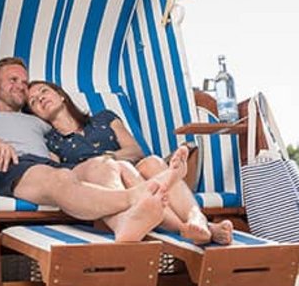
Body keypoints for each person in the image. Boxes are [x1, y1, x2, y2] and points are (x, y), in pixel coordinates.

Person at [0, 57, 184, 242]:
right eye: (12, 80)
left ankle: (135, 225)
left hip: (46, 166)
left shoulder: (37, 121)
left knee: (103, 166)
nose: (21, 87)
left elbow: (74, 141)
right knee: (60, 179)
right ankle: (135, 198)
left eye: (24, 83)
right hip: (5, 166)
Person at [27, 80, 234, 245]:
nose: (40, 99)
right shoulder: (50, 142)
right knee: (121, 168)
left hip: (132, 168)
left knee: (152, 161)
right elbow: (62, 176)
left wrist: (112, 157)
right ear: (35, 115)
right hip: (103, 184)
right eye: (34, 101)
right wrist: (109, 163)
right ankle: (191, 228)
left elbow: (135, 151)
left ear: (61, 95)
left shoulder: (104, 118)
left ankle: (195, 217)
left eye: (43, 92)